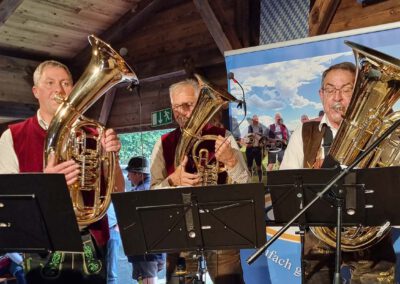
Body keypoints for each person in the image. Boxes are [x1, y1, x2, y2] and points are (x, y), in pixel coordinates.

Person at [0, 60, 125, 283]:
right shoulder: (12, 136)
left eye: (66, 83)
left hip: (91, 240)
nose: (59, 89)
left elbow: (118, 190)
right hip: (42, 244)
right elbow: (9, 202)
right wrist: (46, 183)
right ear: (36, 91)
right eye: (50, 83)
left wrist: (112, 157)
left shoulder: (93, 132)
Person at [280, 62, 396, 283]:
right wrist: (310, 182)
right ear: (321, 94)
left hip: (370, 237)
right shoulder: (304, 134)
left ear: (359, 93)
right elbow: (286, 193)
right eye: (330, 89)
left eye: (347, 89)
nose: (337, 98)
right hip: (320, 239)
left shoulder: (384, 132)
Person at [150, 79, 249, 283]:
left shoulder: (225, 137)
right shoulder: (162, 144)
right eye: (177, 106)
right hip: (179, 233)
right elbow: (151, 194)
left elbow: (246, 185)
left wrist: (231, 161)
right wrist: (172, 180)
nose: (182, 112)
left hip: (221, 230)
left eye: (188, 105)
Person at [125, 156, 165, 284]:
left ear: (138, 174)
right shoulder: (152, 188)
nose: (128, 177)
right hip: (152, 250)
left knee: (148, 278)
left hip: (145, 251)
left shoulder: (140, 193)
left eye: (130, 173)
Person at [245, 115, 264, 182]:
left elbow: (261, 137)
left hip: (258, 149)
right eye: (254, 120)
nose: (256, 121)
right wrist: (256, 135)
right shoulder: (250, 127)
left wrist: (255, 134)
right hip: (250, 149)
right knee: (249, 167)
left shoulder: (260, 127)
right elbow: (250, 135)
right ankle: (250, 182)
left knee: (259, 167)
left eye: (257, 120)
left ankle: (260, 182)